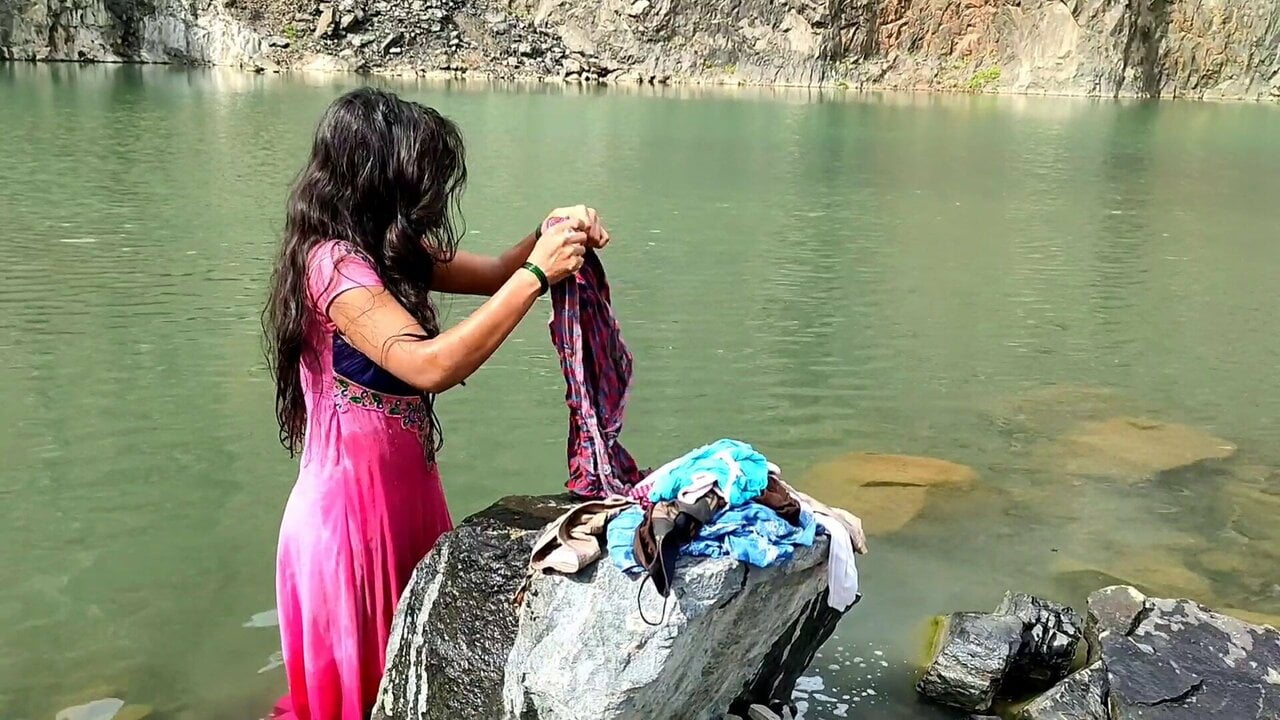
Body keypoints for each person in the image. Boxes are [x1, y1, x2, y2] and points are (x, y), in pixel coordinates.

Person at [262, 87, 610, 720]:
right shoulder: (333, 265)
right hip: (352, 529)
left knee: (412, 686)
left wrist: (548, 234)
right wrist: (538, 275)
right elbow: (430, 365)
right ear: (377, 177)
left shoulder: (383, 250)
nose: (429, 196)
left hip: (408, 505)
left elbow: (498, 271)